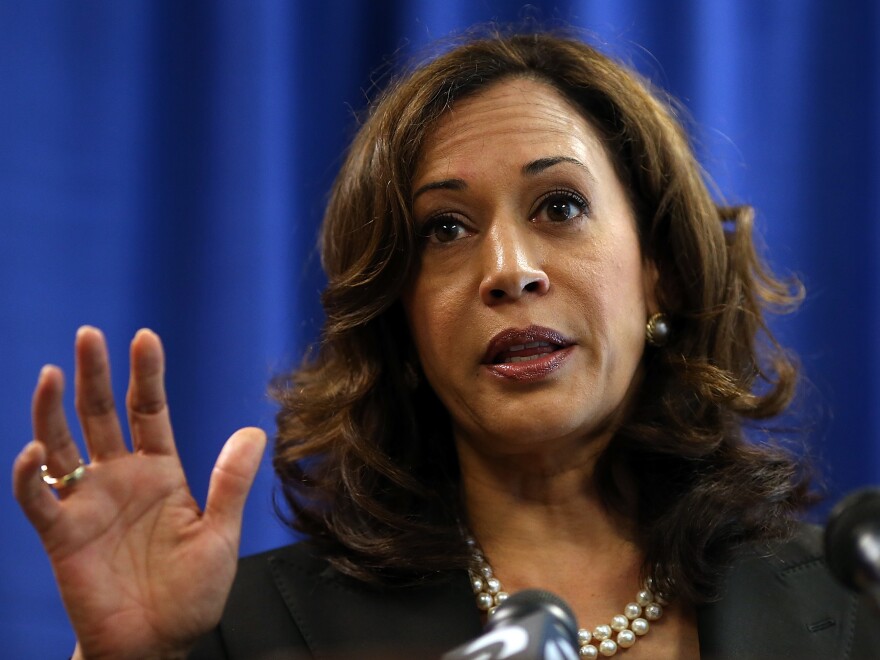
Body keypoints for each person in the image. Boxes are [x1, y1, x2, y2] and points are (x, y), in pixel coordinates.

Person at [12, 30, 879, 659]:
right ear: (402, 320)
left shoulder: (850, 603)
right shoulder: (250, 631)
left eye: (561, 207)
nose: (507, 269)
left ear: (663, 271)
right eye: (445, 229)